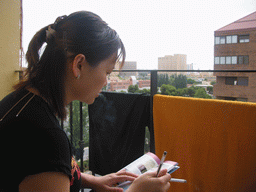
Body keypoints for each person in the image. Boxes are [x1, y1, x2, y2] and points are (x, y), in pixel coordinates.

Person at [0, 11, 171, 192]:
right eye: (107, 72)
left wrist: (91, 180)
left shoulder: (20, 101)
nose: (106, 82)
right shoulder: (46, 138)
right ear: (79, 64)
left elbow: (42, 170)